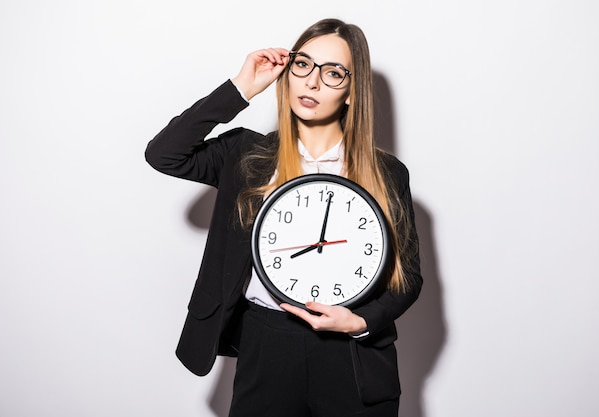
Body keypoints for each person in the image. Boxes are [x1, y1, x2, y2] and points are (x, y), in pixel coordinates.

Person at [145, 18, 423, 417]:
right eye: (303, 65)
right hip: (266, 343)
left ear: (351, 92)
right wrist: (241, 87)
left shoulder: (386, 173)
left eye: (332, 73)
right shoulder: (246, 155)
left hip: (352, 357)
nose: (311, 82)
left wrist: (358, 322)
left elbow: (407, 278)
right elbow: (164, 154)